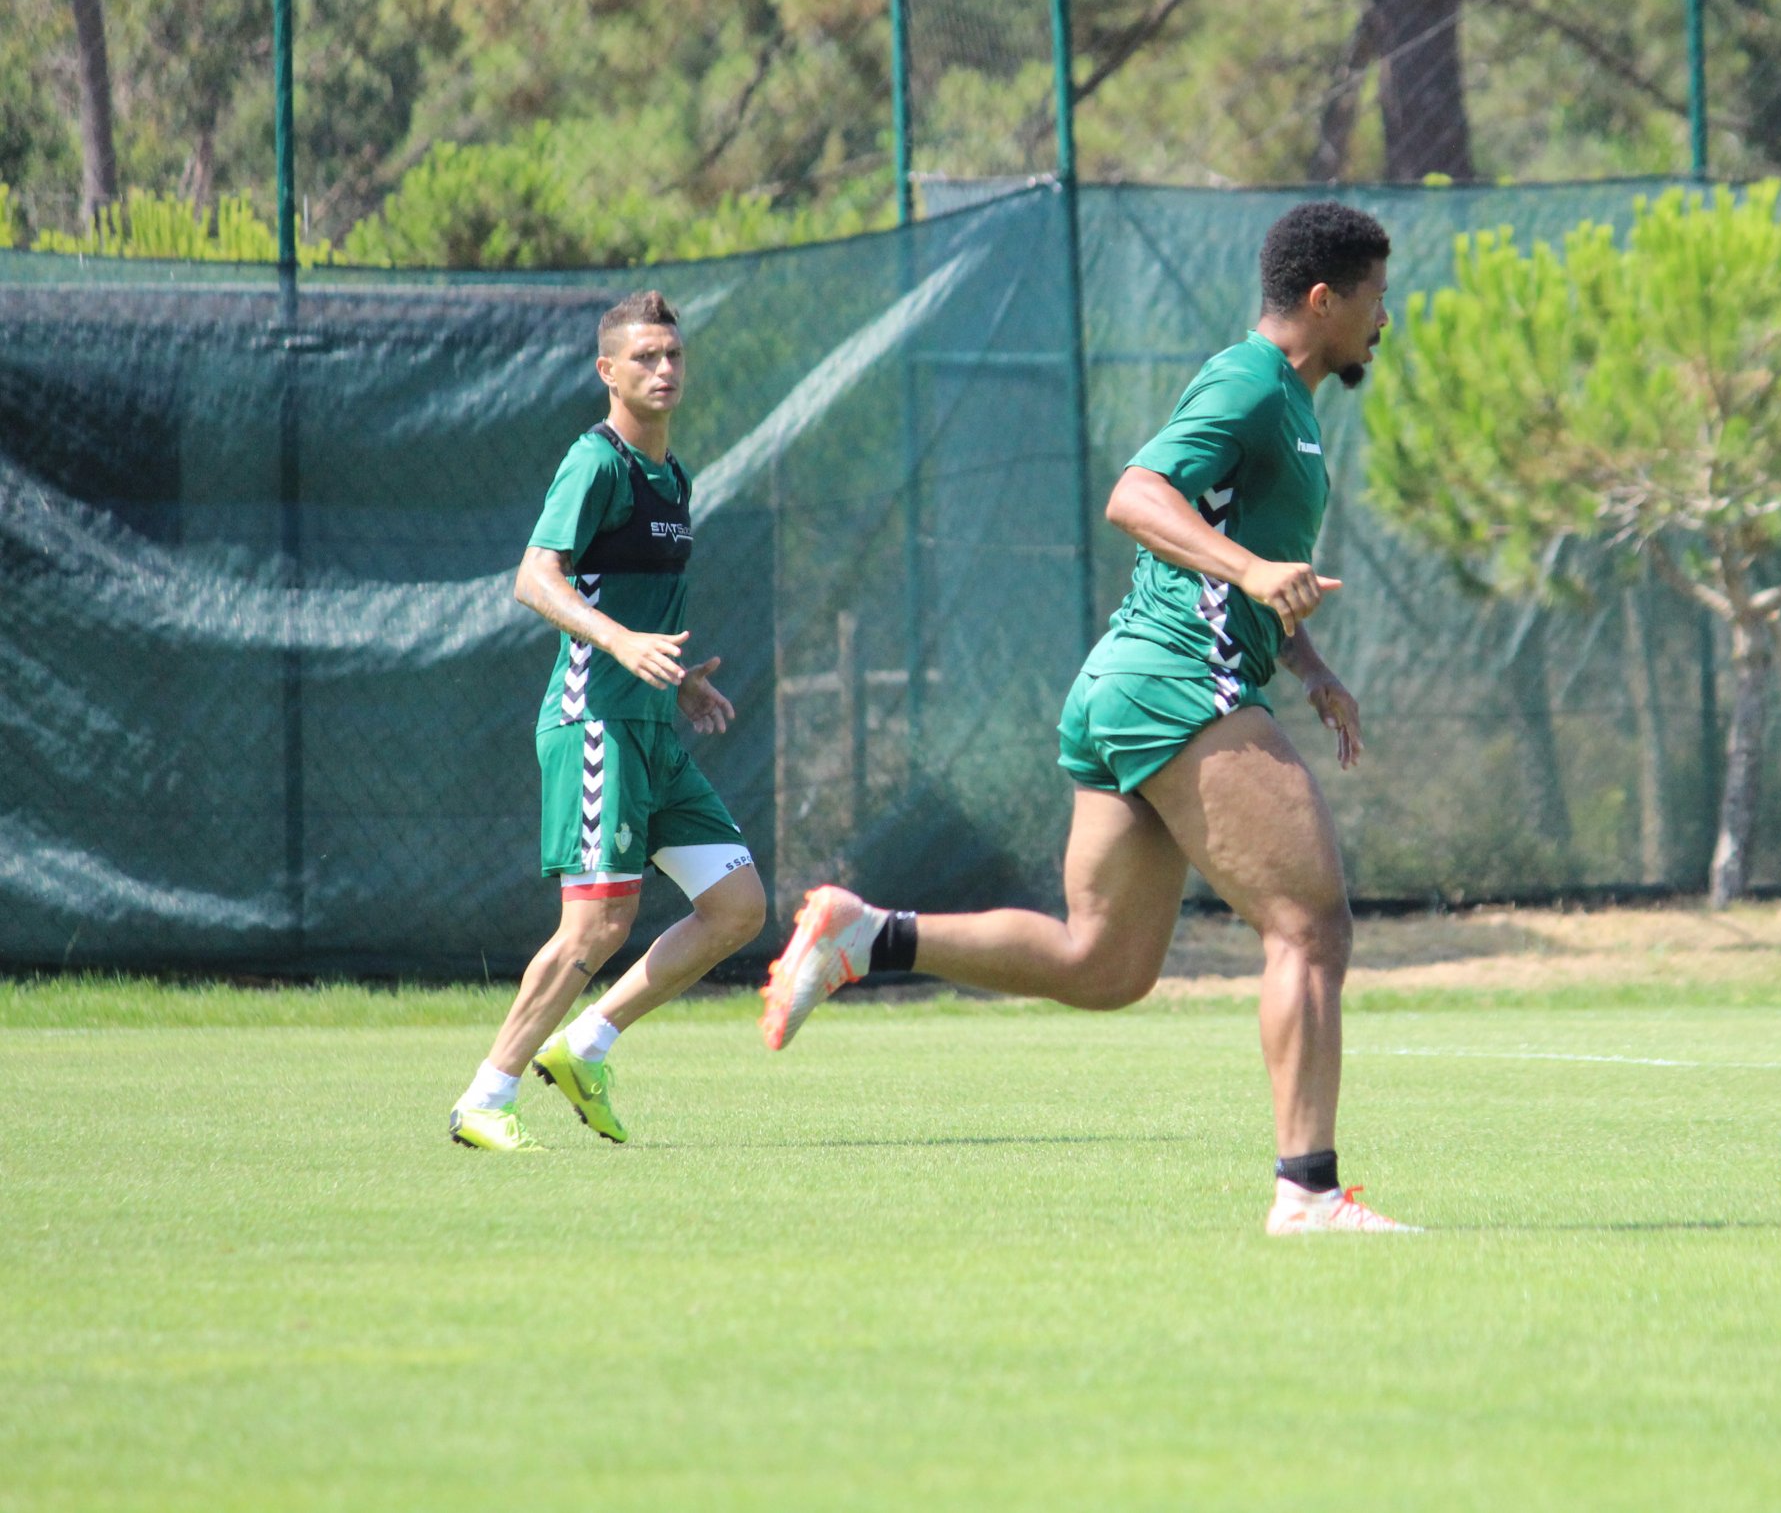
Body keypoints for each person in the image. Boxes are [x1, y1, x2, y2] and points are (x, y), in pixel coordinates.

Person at [763, 202, 1414, 1233]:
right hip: (1173, 683)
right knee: (1309, 924)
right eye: (1377, 296)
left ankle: (866, 937)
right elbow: (1138, 495)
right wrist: (1252, 571)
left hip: (1131, 683)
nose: (1388, 316)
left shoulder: (1291, 408)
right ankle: (1307, 1194)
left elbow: (1236, 559)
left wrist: (1309, 660)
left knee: (1102, 965)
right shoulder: (1250, 382)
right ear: (1325, 300)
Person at [448, 289, 768, 1151]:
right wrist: (623, 644)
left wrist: (681, 681)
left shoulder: (674, 474)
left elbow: (634, 597)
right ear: (607, 371)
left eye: (673, 355)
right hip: (595, 724)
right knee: (594, 925)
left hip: (653, 727)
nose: (664, 370)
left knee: (737, 906)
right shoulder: (597, 463)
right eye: (644, 358)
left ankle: (586, 1043)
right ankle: (486, 1095)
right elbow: (536, 579)